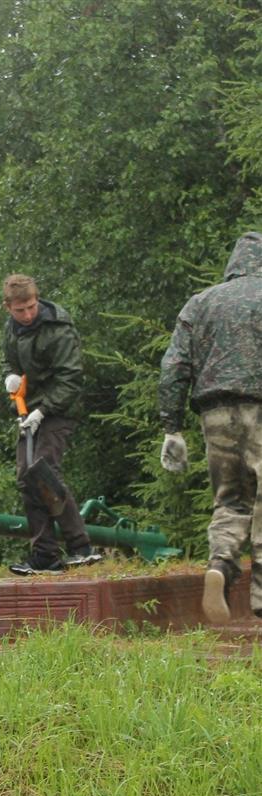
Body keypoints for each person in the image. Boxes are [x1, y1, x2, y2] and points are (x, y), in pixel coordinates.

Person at [159, 231, 262, 624]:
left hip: (214, 413)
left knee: (231, 500)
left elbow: (173, 367)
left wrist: (172, 426)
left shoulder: (201, 303)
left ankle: (220, 563)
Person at [0, 274, 102, 575]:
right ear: (8, 307)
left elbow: (71, 380)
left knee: (44, 469)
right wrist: (10, 377)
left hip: (59, 408)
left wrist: (44, 410)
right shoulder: (12, 330)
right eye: (21, 310)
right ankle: (45, 555)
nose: (28, 315)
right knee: (26, 476)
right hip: (28, 410)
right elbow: (10, 363)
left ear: (37, 299)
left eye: (31, 307)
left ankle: (80, 547)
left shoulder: (58, 328)